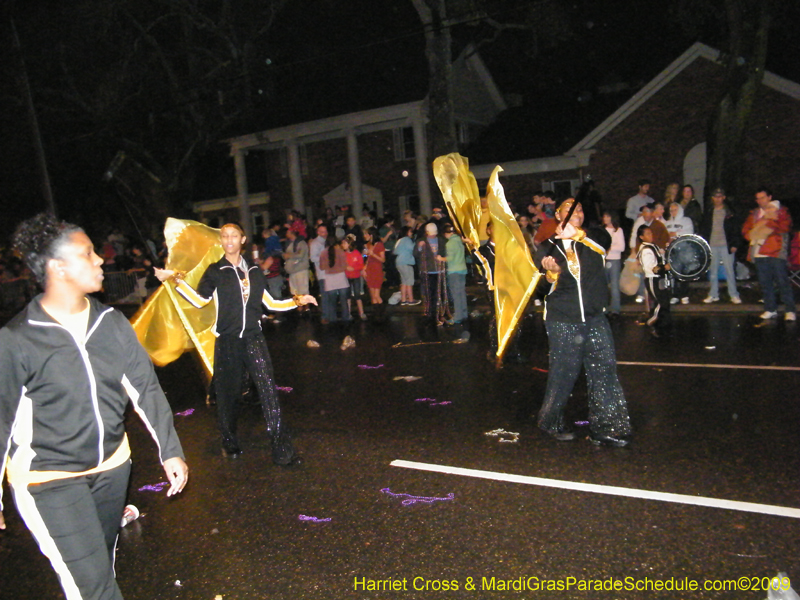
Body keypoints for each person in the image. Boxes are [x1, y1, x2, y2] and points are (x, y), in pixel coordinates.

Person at [0, 212, 188, 600]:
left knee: (100, 568)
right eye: (88, 254)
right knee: (96, 588)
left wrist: (171, 450)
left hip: (112, 471)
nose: (101, 259)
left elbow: (145, 390)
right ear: (59, 268)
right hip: (48, 481)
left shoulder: (112, 324)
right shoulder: (17, 340)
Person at [155, 223, 316, 462]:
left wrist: (298, 299)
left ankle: (283, 451)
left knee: (268, 391)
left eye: (234, 235)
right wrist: (175, 280)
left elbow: (271, 304)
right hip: (228, 341)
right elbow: (199, 301)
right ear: (221, 240)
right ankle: (229, 439)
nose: (229, 239)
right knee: (228, 394)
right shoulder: (215, 270)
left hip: (254, 339)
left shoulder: (254, 270)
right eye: (225, 236)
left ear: (243, 240)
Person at [534, 199, 632, 447]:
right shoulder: (546, 247)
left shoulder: (595, 237)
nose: (576, 212)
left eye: (579, 209)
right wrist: (550, 275)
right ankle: (550, 421)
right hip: (563, 320)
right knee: (564, 374)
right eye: (569, 209)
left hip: (595, 317)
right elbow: (540, 289)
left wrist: (578, 234)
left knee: (604, 371)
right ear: (558, 215)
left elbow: (602, 245)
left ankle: (606, 427)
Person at [742, 187, 796, 320]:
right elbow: (746, 230)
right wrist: (753, 233)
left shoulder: (781, 211)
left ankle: (790, 310)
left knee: (782, 281)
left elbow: (785, 226)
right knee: (765, 282)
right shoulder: (754, 213)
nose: (760, 201)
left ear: (770, 197)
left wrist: (768, 226)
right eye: (758, 198)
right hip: (759, 252)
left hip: (775, 251)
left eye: (763, 197)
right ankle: (770, 308)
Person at [700, 187, 742, 304]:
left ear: (723, 197)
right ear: (712, 198)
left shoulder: (730, 212)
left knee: (730, 271)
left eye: (720, 196)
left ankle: (733, 294)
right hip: (712, 244)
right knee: (713, 271)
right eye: (715, 197)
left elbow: (736, 229)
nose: (717, 199)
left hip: (726, 245)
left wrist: (735, 244)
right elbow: (705, 228)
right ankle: (713, 294)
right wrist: (705, 243)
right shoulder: (709, 211)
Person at [637, 224, 671, 338]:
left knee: (664, 301)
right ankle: (651, 322)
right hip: (653, 279)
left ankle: (662, 326)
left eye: (650, 233)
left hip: (658, 279)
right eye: (647, 233)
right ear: (641, 237)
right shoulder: (646, 250)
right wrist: (664, 268)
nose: (651, 235)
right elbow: (650, 267)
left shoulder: (652, 246)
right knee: (662, 302)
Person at [415, 222, 448, 324]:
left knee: (440, 293)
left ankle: (441, 312)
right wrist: (419, 247)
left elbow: (447, 252)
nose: (433, 235)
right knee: (429, 293)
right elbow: (415, 254)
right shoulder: (421, 241)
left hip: (440, 270)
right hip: (427, 271)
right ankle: (430, 312)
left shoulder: (442, 240)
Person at [665, 202, 695, 305]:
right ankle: (674, 295)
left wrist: (676, 234)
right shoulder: (667, 222)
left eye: (675, 210)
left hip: (684, 249)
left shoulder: (686, 220)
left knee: (684, 272)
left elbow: (690, 232)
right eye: (671, 210)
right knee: (673, 273)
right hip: (672, 250)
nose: (673, 212)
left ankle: (684, 295)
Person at [318, 237, 351, 323]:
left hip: (330, 280)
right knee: (343, 300)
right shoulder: (340, 252)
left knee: (332, 302)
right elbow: (344, 266)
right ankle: (346, 318)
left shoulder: (323, 253)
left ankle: (333, 319)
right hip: (341, 278)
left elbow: (321, 267)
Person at [443, 223, 468, 325]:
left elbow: (450, 258)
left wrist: (440, 258)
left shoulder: (449, 244)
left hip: (454, 271)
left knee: (456, 295)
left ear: (446, 233)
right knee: (461, 293)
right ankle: (464, 313)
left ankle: (457, 316)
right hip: (462, 269)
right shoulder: (459, 241)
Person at [602, 210, 625, 317]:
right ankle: (604, 308)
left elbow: (621, 247)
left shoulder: (618, 230)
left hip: (615, 260)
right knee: (603, 285)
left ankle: (615, 309)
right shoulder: (602, 230)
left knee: (615, 285)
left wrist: (609, 248)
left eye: (607, 216)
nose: (605, 219)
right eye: (604, 217)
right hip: (604, 260)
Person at [342, 235, 367, 320]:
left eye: (344, 243)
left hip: (356, 276)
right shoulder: (343, 254)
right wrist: (345, 267)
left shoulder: (356, 253)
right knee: (347, 296)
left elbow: (361, 265)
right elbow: (341, 264)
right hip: (347, 277)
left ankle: (362, 313)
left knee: (357, 295)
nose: (343, 245)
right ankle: (348, 313)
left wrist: (354, 268)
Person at [363, 227, 385, 311]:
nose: (364, 236)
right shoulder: (367, 245)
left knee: (376, 295)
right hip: (369, 269)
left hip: (377, 269)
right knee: (372, 295)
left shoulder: (379, 244)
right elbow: (365, 256)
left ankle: (381, 313)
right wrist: (364, 266)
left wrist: (373, 254)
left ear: (371, 235)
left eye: (366, 234)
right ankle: (376, 314)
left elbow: (383, 259)